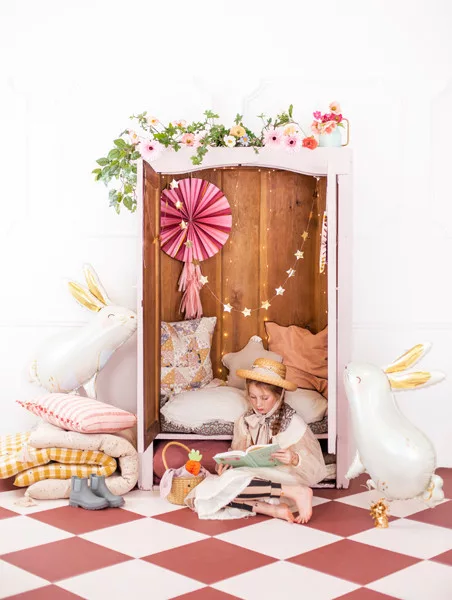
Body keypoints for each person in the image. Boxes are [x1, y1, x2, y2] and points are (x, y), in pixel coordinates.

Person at [185, 358, 327, 523]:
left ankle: (294, 492)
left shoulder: (293, 422)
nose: (258, 404)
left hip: (284, 478)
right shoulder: (245, 421)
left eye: (265, 398)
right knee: (212, 492)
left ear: (279, 395)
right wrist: (226, 466)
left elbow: (316, 468)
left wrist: (294, 458)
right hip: (253, 482)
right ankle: (271, 509)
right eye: (253, 397)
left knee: (226, 488)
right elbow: (238, 454)